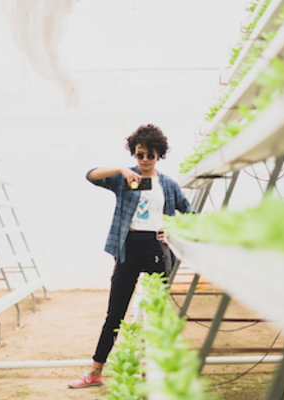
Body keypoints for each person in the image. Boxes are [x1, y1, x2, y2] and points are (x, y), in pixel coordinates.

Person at [67, 124, 193, 389]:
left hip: (156, 249)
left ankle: (164, 374)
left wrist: (171, 228)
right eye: (139, 154)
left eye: (150, 155)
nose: (145, 159)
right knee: (115, 313)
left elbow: (190, 214)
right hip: (128, 248)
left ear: (159, 155)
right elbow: (90, 175)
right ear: (134, 154)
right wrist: (121, 170)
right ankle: (95, 371)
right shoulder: (127, 178)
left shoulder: (168, 185)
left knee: (158, 314)